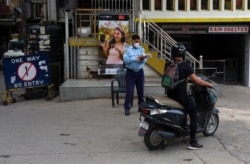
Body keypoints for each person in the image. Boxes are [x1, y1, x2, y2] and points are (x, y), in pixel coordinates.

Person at [165, 43, 213, 149]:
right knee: (194, 112)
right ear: (183, 54)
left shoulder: (168, 63)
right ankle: (192, 142)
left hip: (169, 94)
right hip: (180, 96)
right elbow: (196, 80)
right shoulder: (185, 66)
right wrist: (208, 84)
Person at [123, 34, 147, 116]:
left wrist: (142, 59)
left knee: (141, 91)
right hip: (130, 73)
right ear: (132, 41)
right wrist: (135, 59)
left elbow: (145, 61)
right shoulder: (127, 49)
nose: (137, 43)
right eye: (136, 41)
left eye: (138, 41)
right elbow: (125, 60)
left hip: (140, 72)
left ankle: (141, 107)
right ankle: (127, 108)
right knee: (129, 91)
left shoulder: (141, 49)